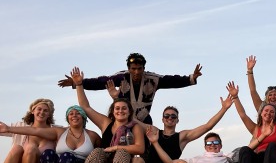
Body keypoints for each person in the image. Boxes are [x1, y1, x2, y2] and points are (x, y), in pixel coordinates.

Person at [125, 95, 234, 163]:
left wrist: (224, 109)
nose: (170, 118)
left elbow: (207, 126)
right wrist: (116, 97)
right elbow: (134, 121)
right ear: (162, 119)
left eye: (173, 116)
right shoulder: (154, 131)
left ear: (177, 120)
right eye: (166, 116)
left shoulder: (182, 137)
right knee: (137, 160)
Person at [57, 52, 202, 124]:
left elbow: (171, 80)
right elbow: (100, 82)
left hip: (143, 118)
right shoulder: (121, 77)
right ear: (129, 68)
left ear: (144, 68)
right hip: (122, 118)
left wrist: (191, 78)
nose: (137, 72)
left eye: (140, 68)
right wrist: (77, 83)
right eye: (134, 69)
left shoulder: (153, 79)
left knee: (148, 143)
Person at [69, 67, 145, 163]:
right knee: (98, 151)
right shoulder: (106, 123)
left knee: (122, 152)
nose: (120, 111)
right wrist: (79, 85)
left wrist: (116, 147)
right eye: (117, 108)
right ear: (112, 111)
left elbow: (140, 148)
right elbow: (85, 107)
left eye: (124, 109)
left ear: (129, 112)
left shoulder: (134, 126)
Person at [0, 105, 101, 163]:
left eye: (78, 113)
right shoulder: (60, 131)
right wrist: (8, 129)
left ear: (83, 116)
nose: (74, 115)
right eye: (71, 113)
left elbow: (100, 153)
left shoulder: (93, 135)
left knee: (67, 155)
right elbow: (35, 131)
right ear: (67, 118)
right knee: (48, 153)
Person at [227, 81, 276, 163]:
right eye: (266, 110)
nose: (268, 113)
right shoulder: (255, 128)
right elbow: (242, 115)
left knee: (272, 146)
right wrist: (235, 97)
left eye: (272, 112)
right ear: (261, 113)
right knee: (244, 149)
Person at [0, 98, 56, 163]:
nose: (42, 112)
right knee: (17, 148)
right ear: (32, 111)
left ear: (49, 114)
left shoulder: (56, 131)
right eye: (39, 109)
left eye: (46, 110)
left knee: (31, 148)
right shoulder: (19, 126)